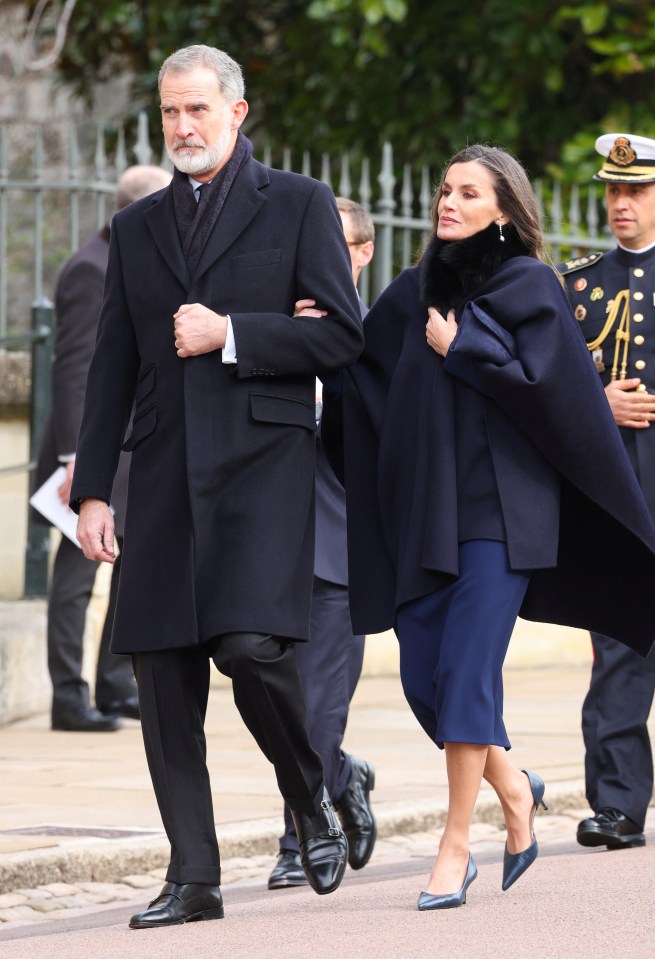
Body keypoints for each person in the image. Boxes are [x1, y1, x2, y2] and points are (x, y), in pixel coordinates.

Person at [70, 44, 364, 929]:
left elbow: (341, 337)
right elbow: (112, 365)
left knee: (248, 647)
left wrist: (233, 332)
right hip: (160, 473)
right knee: (161, 671)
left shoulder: (302, 205)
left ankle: (313, 790)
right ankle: (193, 875)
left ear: (239, 112)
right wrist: (91, 490)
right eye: (170, 113)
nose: (184, 127)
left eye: (198, 109)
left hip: (261, 469)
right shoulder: (137, 228)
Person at [321, 143, 655, 911]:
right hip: (425, 515)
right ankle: (513, 785)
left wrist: (463, 347)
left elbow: (553, 392)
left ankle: (453, 847)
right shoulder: (411, 293)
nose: (448, 202)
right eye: (443, 189)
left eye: (467, 192)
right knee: (421, 678)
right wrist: (313, 325)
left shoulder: (531, 284)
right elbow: (358, 376)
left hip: (503, 517)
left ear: (503, 208)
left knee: (468, 672)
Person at [34, 164, 172, 732]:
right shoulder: (89, 269)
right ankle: (69, 697)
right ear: (134, 210)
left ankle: (115, 686)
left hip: (131, 450)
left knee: (128, 569)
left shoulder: (133, 259)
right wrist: (73, 459)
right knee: (74, 578)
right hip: (87, 456)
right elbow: (73, 372)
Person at [268, 198, 376, 890]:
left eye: (333, 244)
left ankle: (297, 836)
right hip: (266, 546)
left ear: (362, 253)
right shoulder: (274, 328)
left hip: (338, 546)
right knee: (270, 698)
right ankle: (343, 774)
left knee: (315, 703)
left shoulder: (375, 337)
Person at [559, 133, 655, 851]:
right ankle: (617, 803)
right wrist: (601, 402)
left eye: (637, 191)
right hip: (617, 487)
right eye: (613, 191)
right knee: (619, 644)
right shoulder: (579, 284)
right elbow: (551, 388)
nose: (621, 203)